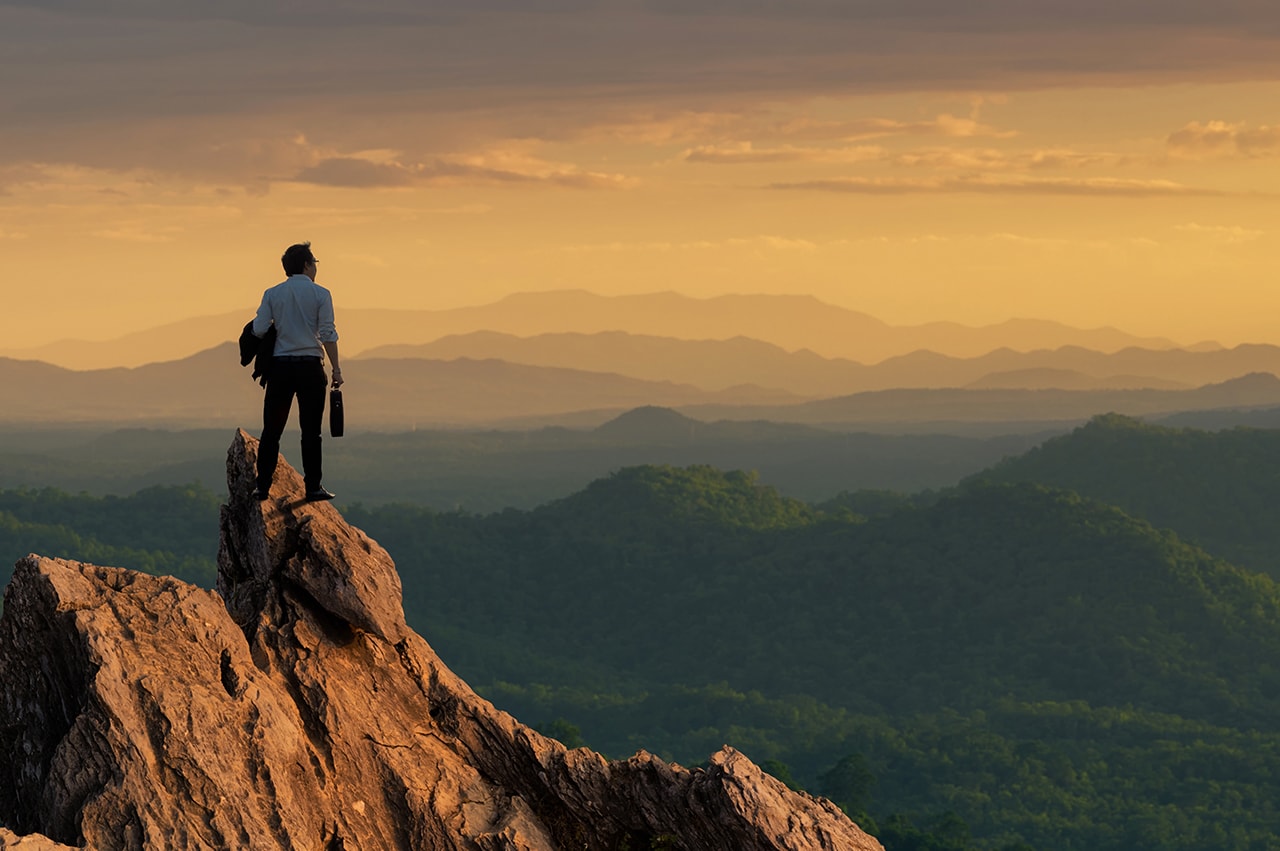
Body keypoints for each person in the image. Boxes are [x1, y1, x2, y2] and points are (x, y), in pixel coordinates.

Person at [251, 241, 344, 501]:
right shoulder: (321, 294)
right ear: (306, 264)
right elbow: (327, 333)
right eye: (314, 262)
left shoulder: (272, 294)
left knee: (272, 430)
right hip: (310, 368)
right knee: (311, 431)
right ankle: (312, 487)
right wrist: (336, 369)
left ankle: (262, 487)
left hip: (280, 368)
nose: (315, 267)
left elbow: (259, 329)